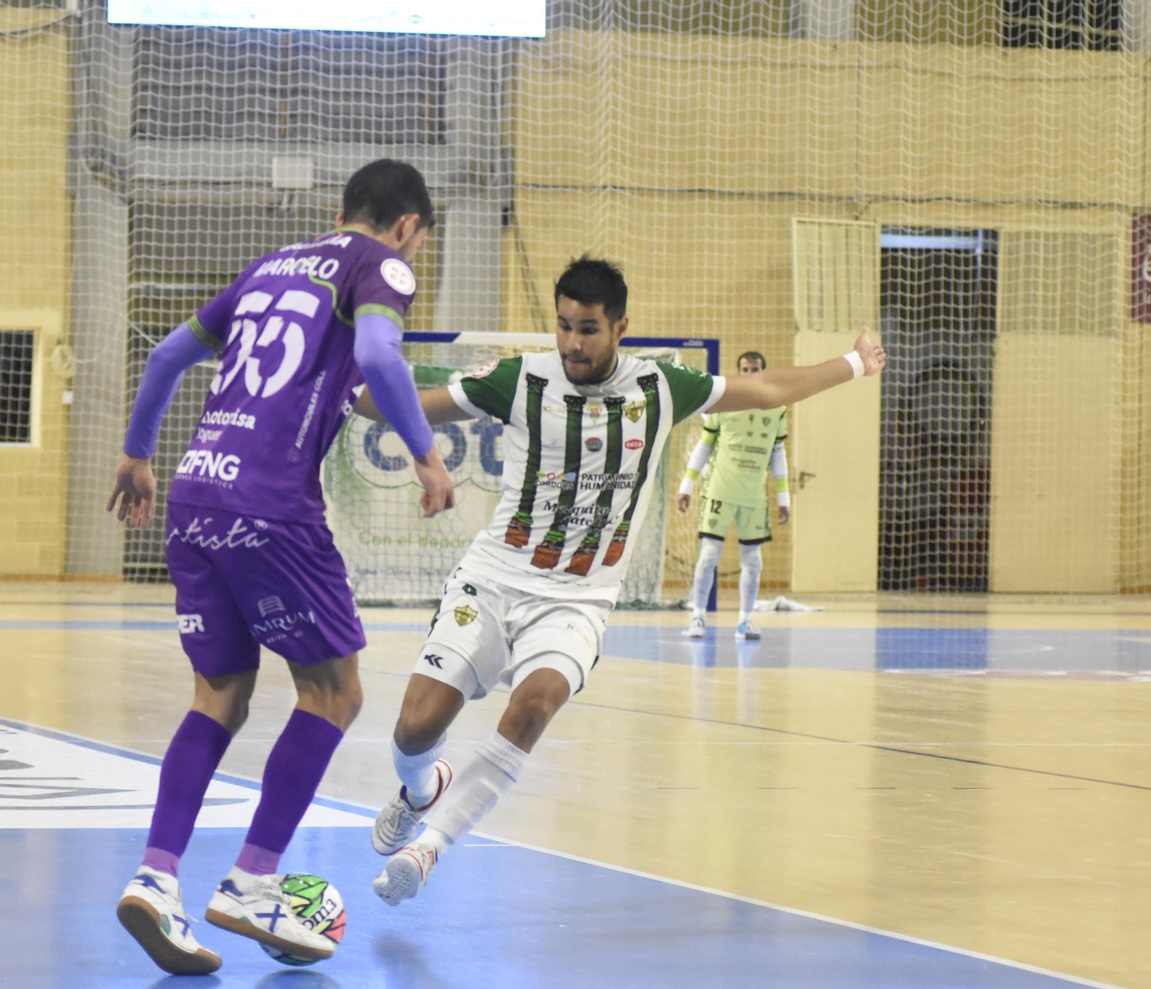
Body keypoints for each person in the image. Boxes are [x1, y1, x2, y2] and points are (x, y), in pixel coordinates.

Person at [353, 257, 885, 905]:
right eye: (563, 327)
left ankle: (427, 850)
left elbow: (767, 390)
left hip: (577, 598)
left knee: (536, 704)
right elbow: (403, 406)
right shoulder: (521, 379)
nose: (573, 343)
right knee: (415, 727)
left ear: (619, 328)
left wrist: (854, 363)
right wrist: (330, 382)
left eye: (588, 329)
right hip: (494, 580)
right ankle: (418, 790)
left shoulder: (659, 386)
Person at [107, 159, 456, 974]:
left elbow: (163, 358)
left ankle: (156, 879)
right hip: (271, 503)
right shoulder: (381, 264)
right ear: (406, 224)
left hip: (196, 491)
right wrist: (429, 457)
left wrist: (135, 455)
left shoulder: (270, 267)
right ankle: (252, 880)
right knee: (334, 693)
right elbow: (377, 354)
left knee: (219, 697)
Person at [676, 350, 790, 640]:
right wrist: (687, 485)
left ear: (764, 371)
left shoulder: (777, 407)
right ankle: (698, 618)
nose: (749, 375)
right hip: (721, 490)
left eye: (754, 369)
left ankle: (745, 621)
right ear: (738, 371)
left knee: (753, 561)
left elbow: (778, 452)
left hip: (753, 497)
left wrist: (784, 499)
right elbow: (704, 446)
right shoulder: (722, 404)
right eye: (744, 369)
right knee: (710, 555)